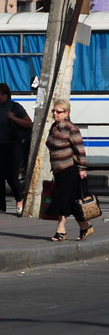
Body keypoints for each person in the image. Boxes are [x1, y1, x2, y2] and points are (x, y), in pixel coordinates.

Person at [46, 99, 94, 242]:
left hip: (70, 169)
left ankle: (61, 230)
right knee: (72, 202)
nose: (55, 113)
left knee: (61, 198)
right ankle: (85, 226)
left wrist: (82, 168)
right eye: (54, 111)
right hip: (58, 170)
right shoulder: (54, 127)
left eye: (58, 111)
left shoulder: (71, 128)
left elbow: (79, 149)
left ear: (66, 113)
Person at [0, 82, 32, 216]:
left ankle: (19, 199)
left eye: (2, 94)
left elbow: (29, 123)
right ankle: (1, 208)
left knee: (11, 176)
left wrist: (14, 118)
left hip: (14, 145)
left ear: (7, 94)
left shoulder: (16, 107)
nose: (0, 97)